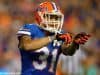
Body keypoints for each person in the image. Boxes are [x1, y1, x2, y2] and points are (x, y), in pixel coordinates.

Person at [17, 1, 90, 75]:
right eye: (51, 17)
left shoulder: (59, 34)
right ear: (40, 16)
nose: (54, 21)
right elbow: (26, 45)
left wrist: (74, 43)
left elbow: (68, 51)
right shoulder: (30, 28)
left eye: (56, 18)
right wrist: (52, 38)